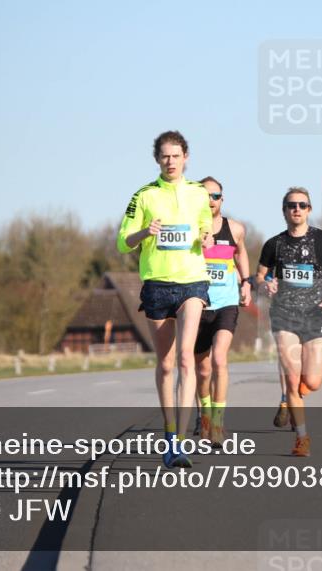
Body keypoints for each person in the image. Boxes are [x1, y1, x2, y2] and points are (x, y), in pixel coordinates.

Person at [118, 131, 213, 468]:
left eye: (176, 155)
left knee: (187, 359)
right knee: (167, 363)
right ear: (157, 159)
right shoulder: (143, 196)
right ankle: (170, 433)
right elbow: (122, 242)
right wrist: (146, 232)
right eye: (164, 156)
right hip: (157, 284)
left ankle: (182, 443)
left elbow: (207, 228)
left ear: (186, 157)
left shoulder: (199, 193)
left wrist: (207, 236)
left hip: (192, 281)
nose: (170, 161)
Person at [256, 187, 322, 457]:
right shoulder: (273, 244)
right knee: (290, 373)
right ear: (284, 210)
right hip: (284, 316)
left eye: (302, 205)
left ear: (309, 209)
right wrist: (265, 285)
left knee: (312, 381)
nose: (296, 209)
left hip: (316, 315)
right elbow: (260, 275)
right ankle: (302, 438)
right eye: (291, 205)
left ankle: (290, 397)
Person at [193, 176, 251, 447]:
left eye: (215, 196)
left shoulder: (235, 229)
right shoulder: (190, 228)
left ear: (222, 200)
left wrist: (247, 282)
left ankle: (217, 422)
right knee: (202, 371)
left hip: (226, 303)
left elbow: (241, 254)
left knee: (219, 360)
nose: (210, 201)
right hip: (197, 304)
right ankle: (204, 414)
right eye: (205, 196)